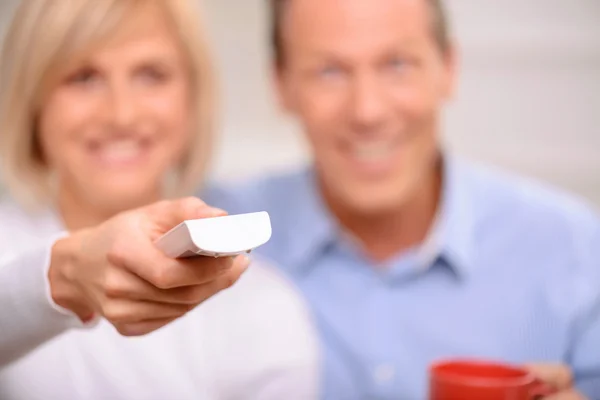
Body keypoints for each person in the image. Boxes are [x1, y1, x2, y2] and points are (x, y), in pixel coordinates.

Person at [203, 0, 600, 399]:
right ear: (281, 84)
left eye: (397, 64)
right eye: (329, 71)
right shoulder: (208, 239)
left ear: (448, 68)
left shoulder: (577, 253)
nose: (367, 110)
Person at [0, 0, 319, 399]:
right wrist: (64, 279)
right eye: (83, 78)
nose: (122, 114)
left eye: (151, 75)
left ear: (191, 98)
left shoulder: (266, 309)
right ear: (34, 105)